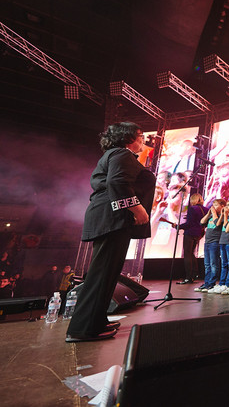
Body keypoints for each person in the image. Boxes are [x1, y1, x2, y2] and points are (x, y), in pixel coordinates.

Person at [66, 122, 154, 342]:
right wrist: (138, 209)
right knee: (102, 274)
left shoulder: (116, 155)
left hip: (111, 218)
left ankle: (96, 321)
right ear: (127, 137)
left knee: (108, 275)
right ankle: (82, 329)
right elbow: (117, 182)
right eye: (140, 135)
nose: (143, 140)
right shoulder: (121, 154)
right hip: (112, 219)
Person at [177, 193, 208, 284]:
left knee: (187, 254)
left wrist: (179, 226)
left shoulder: (192, 209)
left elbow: (189, 224)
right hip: (199, 233)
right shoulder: (206, 209)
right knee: (191, 253)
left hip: (190, 233)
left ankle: (188, 277)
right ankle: (194, 274)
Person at [196, 199, 226, 292]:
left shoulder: (222, 216)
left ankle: (212, 283)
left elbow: (217, 224)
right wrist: (209, 213)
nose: (213, 207)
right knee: (207, 264)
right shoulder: (211, 216)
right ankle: (206, 283)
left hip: (215, 242)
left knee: (213, 263)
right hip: (207, 242)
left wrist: (214, 213)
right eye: (213, 205)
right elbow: (201, 222)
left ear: (222, 206)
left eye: (216, 205)